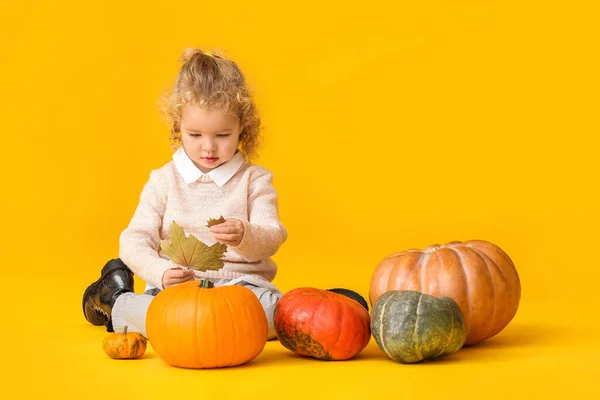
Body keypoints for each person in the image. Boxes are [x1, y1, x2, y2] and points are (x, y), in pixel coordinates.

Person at [82, 48, 288, 340]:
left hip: (241, 290)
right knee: (159, 317)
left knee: (274, 316)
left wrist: (246, 235)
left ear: (242, 127)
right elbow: (134, 239)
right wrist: (160, 272)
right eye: (195, 135)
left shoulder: (255, 180)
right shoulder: (164, 180)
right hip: (176, 291)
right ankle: (116, 299)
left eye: (221, 135)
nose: (208, 148)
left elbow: (272, 235)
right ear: (177, 126)